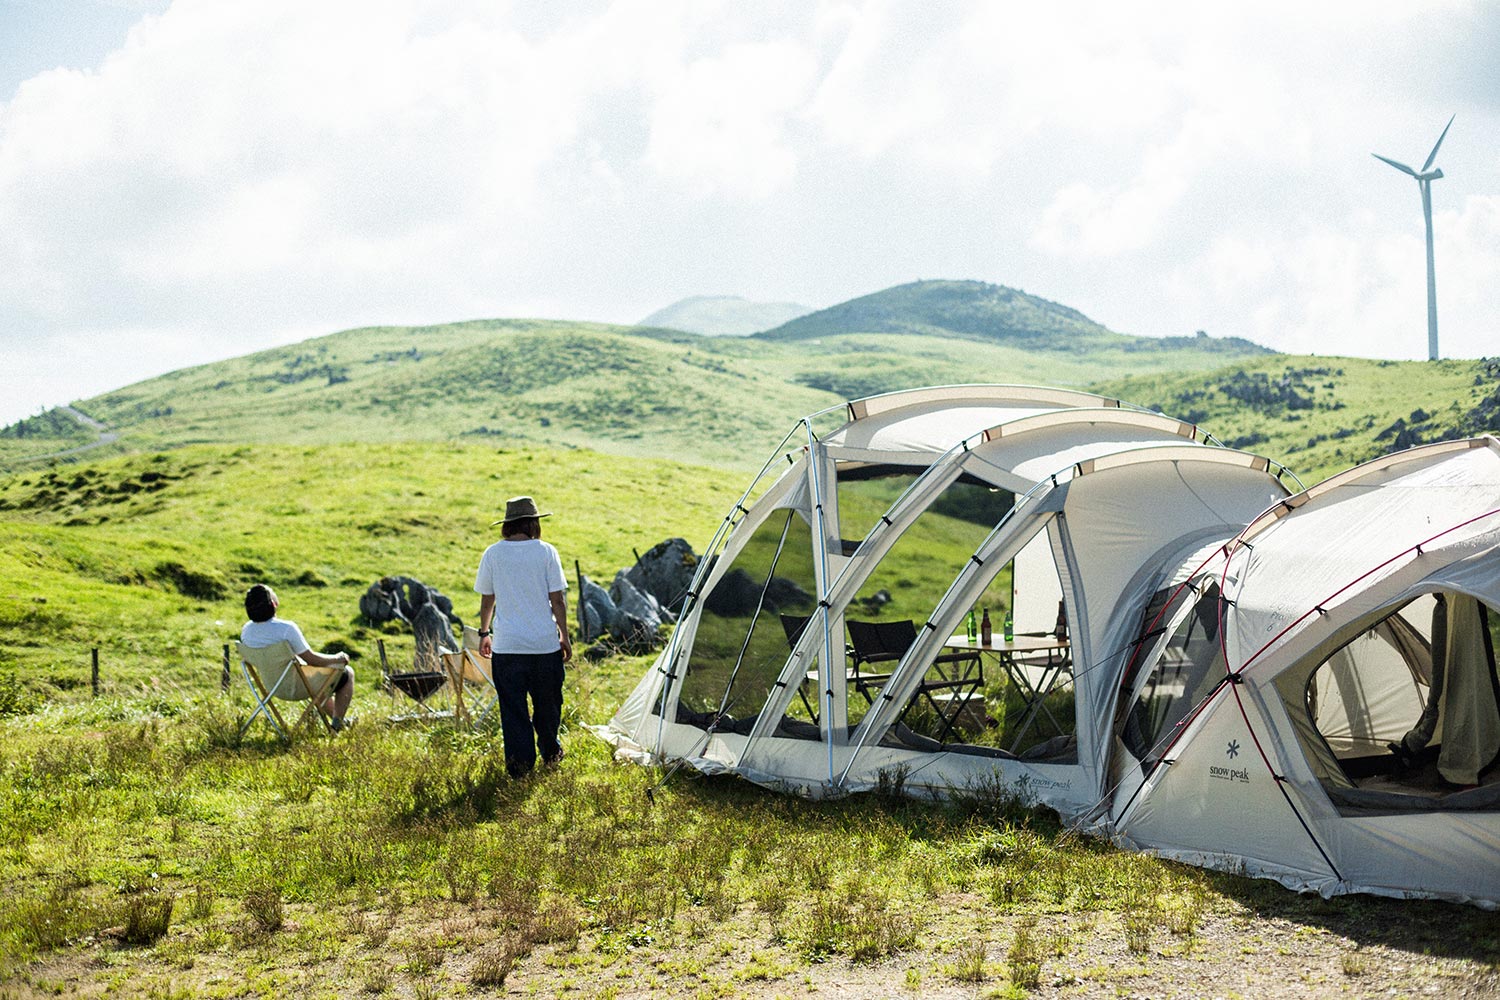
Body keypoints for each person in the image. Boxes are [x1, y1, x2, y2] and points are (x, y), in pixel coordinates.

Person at [474, 495, 572, 778]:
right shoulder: (546, 552)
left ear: (507, 525)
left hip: (508, 647)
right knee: (549, 704)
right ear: (533, 523)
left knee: (513, 709)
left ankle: (520, 767)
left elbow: (487, 599)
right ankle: (550, 751)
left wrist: (484, 632)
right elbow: (558, 600)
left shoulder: (493, 554)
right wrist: (564, 636)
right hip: (544, 645)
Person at [240, 583, 356, 731]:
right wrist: (337, 658)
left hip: (272, 687)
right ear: (273, 603)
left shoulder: (246, 631)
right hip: (298, 687)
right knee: (347, 673)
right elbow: (312, 659)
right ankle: (337, 725)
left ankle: (340, 721)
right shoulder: (286, 629)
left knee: (317, 677)